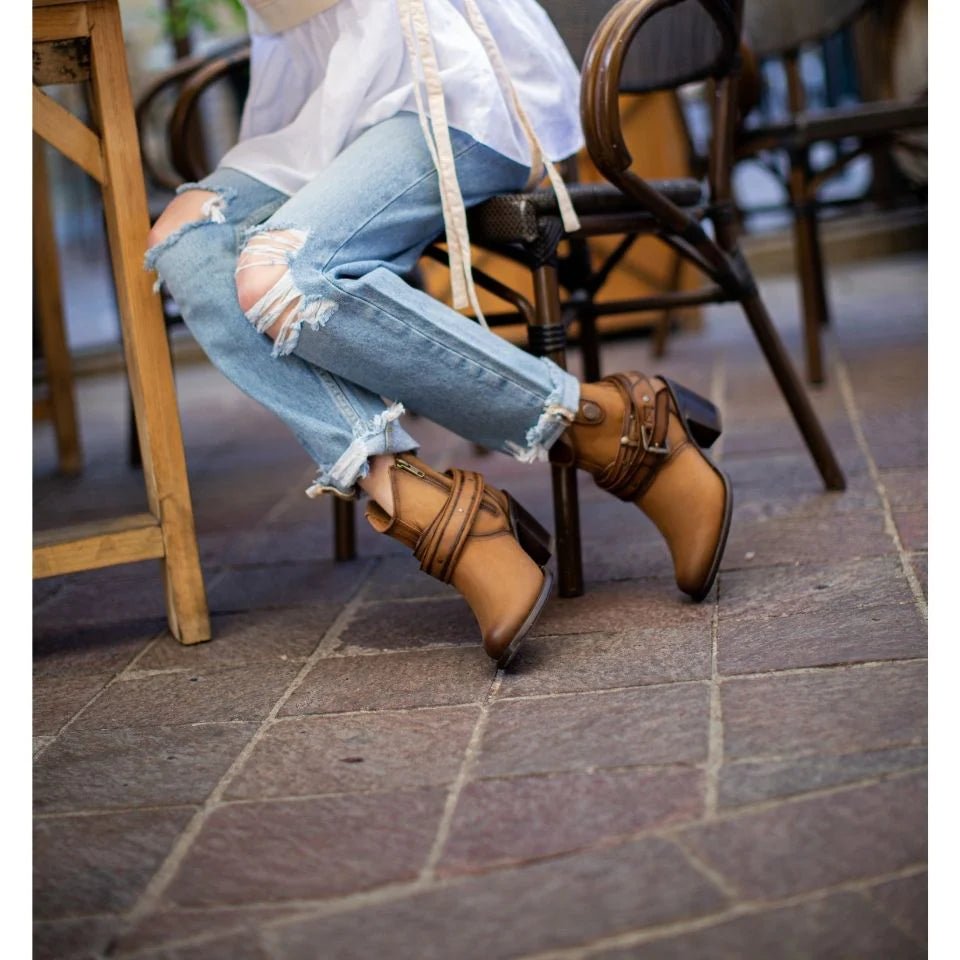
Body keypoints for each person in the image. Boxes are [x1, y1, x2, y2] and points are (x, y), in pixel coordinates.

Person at [144, 0, 732, 668]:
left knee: (284, 273)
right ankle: (427, 496)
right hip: (314, 93)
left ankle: (589, 429)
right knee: (184, 241)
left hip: (440, 80)